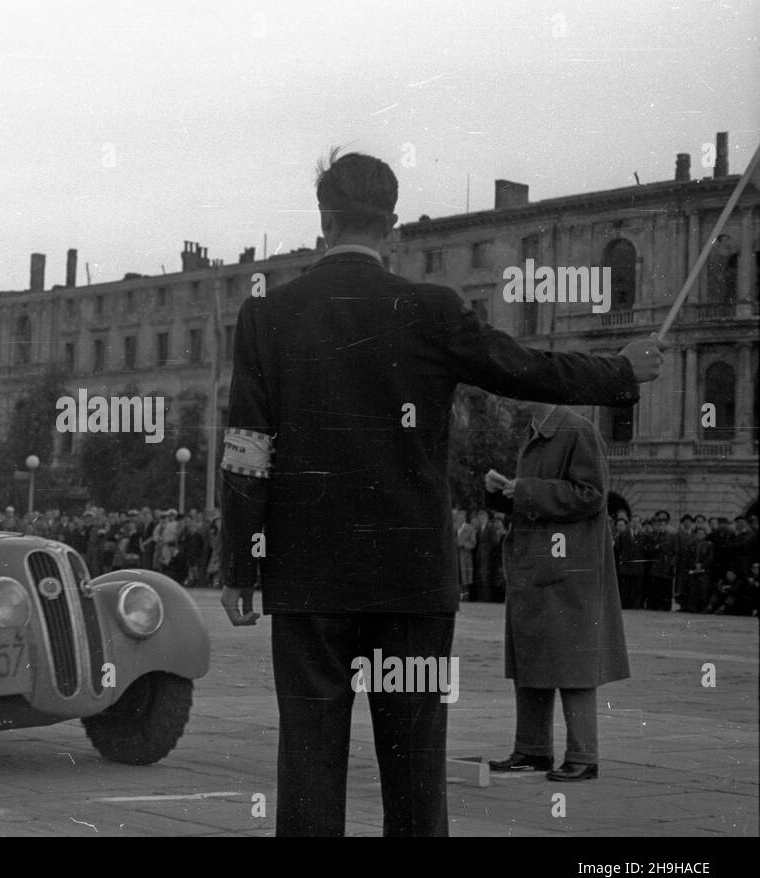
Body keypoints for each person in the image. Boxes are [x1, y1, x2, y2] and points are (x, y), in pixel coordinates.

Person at [218, 147, 663, 837]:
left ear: (323, 223)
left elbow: (247, 451)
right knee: (416, 770)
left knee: (307, 764)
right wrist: (620, 370)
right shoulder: (430, 309)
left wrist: (240, 565)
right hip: (412, 581)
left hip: (309, 579)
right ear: (392, 227)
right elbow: (522, 370)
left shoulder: (267, 317)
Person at [484, 403, 629, 781]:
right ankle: (532, 750)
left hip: (569, 569)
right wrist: (504, 493)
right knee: (531, 659)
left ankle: (584, 755)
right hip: (539, 565)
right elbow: (541, 500)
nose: (511, 396)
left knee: (573, 664)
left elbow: (593, 494)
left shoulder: (577, 430)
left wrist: (526, 489)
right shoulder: (534, 432)